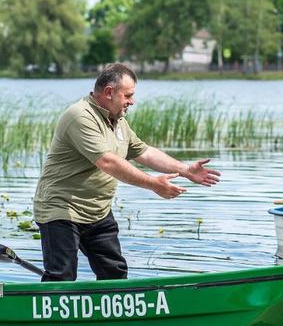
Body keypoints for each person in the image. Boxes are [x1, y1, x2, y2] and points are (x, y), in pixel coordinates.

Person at [33, 63, 221, 281]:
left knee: (115, 274)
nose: (132, 101)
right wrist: (153, 183)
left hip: (98, 211)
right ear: (109, 92)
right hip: (61, 209)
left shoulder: (118, 121)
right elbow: (108, 162)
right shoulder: (80, 116)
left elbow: (144, 152)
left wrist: (185, 169)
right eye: (128, 95)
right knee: (62, 277)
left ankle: (113, 316)